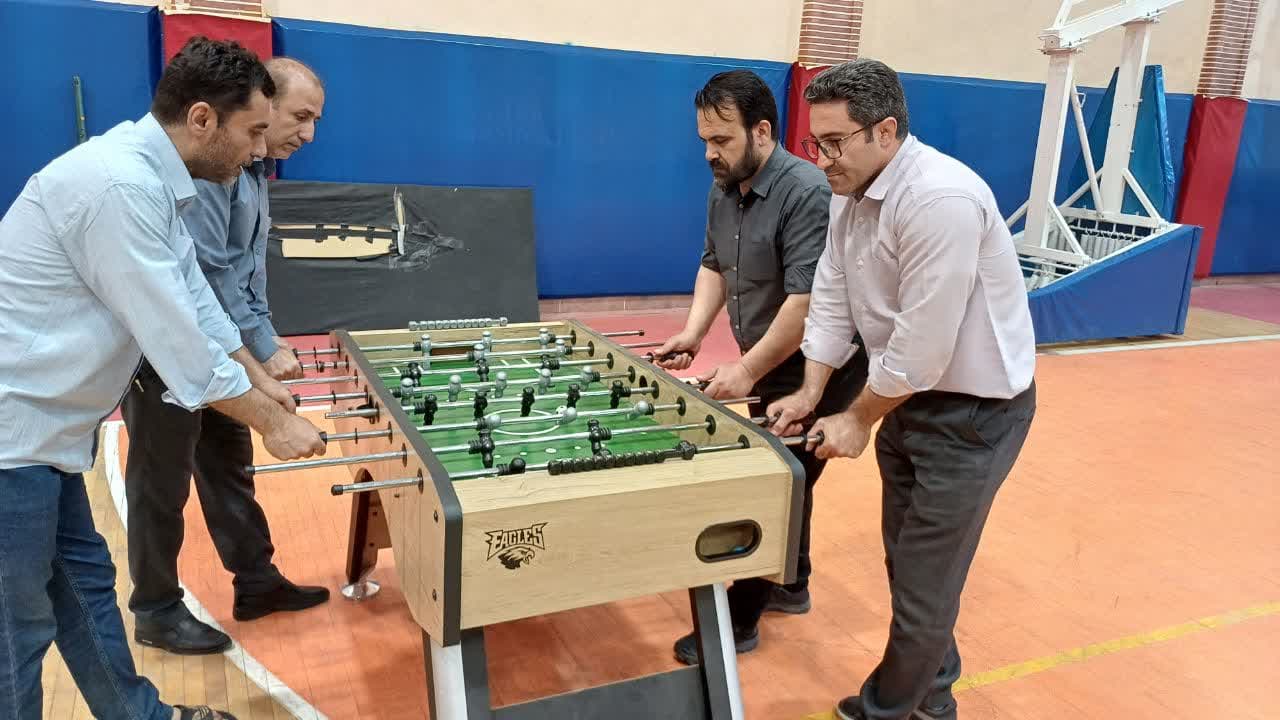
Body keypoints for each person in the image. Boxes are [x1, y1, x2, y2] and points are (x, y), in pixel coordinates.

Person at [0, 36, 326, 720]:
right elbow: (179, 345)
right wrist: (274, 423)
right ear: (203, 118)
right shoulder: (120, 186)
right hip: (12, 439)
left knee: (85, 589)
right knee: (15, 633)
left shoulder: (154, 178)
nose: (260, 148)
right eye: (254, 131)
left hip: (49, 436)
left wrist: (259, 376)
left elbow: (198, 301)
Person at [765, 59, 1038, 720]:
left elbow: (924, 346)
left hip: (974, 415)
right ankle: (933, 702)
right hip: (907, 399)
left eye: (835, 142)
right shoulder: (849, 190)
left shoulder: (940, 200)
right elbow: (832, 293)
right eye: (814, 142)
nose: (821, 159)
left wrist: (857, 418)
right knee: (909, 567)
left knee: (923, 580)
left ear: (885, 131)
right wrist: (811, 392)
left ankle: (888, 709)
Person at [656, 69, 868, 666]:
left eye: (722, 140)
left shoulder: (806, 193)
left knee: (775, 480)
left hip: (822, 367)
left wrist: (746, 371)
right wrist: (695, 334)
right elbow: (713, 264)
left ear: (763, 131)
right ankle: (792, 584)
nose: (710, 154)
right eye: (704, 140)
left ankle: (738, 619)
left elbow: (807, 303)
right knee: (793, 473)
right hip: (767, 361)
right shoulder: (724, 187)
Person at [122, 55, 329, 656]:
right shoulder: (207, 169)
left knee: (228, 467)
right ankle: (156, 609)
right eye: (298, 117)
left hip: (221, 348)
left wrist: (260, 354)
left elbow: (243, 273)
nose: (306, 134)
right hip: (162, 355)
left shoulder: (251, 171)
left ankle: (256, 581)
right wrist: (261, 365)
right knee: (160, 483)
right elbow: (207, 281)